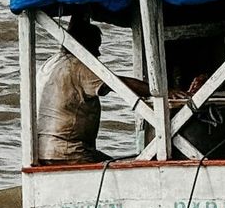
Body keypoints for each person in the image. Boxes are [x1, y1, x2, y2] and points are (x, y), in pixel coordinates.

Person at [35, 12, 158, 165]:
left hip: (43, 150)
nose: (98, 53)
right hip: (68, 151)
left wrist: (82, 8)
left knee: (111, 161)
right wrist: (157, 91)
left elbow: (73, 33)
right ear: (84, 46)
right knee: (119, 172)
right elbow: (118, 82)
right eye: (96, 47)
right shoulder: (80, 67)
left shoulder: (52, 63)